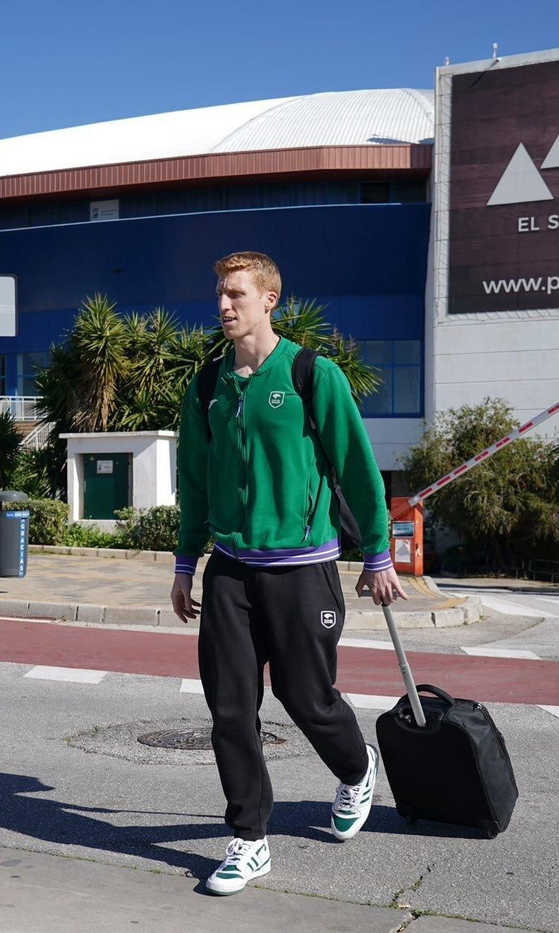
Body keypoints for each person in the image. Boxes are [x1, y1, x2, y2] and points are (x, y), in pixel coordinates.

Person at [171, 251, 406, 895]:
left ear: (270, 299)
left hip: (303, 569)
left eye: (236, 294)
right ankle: (249, 840)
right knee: (229, 710)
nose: (224, 305)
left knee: (306, 698)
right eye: (219, 293)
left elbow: (356, 467)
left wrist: (378, 554)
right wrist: (187, 564)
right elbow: (194, 479)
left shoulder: (311, 373)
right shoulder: (207, 385)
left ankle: (357, 768)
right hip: (231, 571)